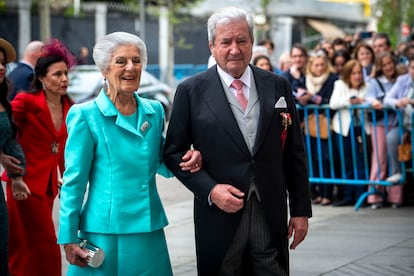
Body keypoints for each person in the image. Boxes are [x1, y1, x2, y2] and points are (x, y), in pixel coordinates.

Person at [163, 7, 312, 275]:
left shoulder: (277, 86)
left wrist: (301, 210)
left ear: (252, 43)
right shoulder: (191, 90)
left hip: (270, 210)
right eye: (226, 42)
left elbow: (294, 151)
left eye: (242, 40)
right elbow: (173, 153)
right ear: (212, 46)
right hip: (219, 214)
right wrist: (210, 190)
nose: (235, 49)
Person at [57, 31, 202, 275]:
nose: (131, 68)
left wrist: (190, 157)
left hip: (148, 228)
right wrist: (68, 237)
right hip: (105, 232)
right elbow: (74, 182)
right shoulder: (85, 115)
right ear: (104, 70)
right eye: (121, 61)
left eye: (136, 61)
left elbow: (163, 161)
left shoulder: (154, 111)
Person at [5, 38, 75, 276]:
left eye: (65, 73)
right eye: (57, 74)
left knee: (28, 247)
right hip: (22, 184)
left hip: (47, 187)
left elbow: (67, 148)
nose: (64, 79)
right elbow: (4, 129)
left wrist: (68, 179)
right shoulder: (26, 102)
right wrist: (7, 160)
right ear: (42, 78)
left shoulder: (71, 107)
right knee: (44, 244)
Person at [0, 37, 30, 276]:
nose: (1, 67)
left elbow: (11, 143)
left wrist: (18, 176)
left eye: (2, 63)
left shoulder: (4, 103)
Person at [299, 50, 338, 206]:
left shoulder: (332, 79)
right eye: (316, 65)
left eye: (322, 65)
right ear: (310, 66)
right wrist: (301, 98)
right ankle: (315, 193)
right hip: (308, 124)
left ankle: (327, 193)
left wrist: (313, 98)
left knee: (325, 158)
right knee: (312, 159)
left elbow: (331, 100)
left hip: (324, 123)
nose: (320, 68)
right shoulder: (304, 80)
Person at [329, 59, 370, 207]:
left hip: (361, 128)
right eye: (353, 73)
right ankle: (348, 195)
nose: (357, 76)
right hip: (344, 129)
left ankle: (361, 194)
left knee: (360, 161)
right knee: (346, 161)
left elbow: (372, 102)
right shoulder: (339, 85)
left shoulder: (367, 86)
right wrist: (349, 101)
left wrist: (363, 102)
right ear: (348, 74)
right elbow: (333, 103)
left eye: (359, 72)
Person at [365, 51, 399, 209]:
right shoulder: (374, 82)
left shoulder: (400, 80)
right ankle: (374, 195)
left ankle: (396, 196)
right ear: (380, 66)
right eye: (384, 64)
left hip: (397, 123)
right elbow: (369, 97)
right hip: (379, 123)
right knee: (379, 159)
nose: (388, 67)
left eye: (390, 63)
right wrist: (374, 102)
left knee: (395, 158)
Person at [383, 55, 414, 208]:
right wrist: (399, 102)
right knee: (391, 137)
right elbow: (387, 99)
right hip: (405, 126)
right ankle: (397, 171)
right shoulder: (403, 80)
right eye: (413, 68)